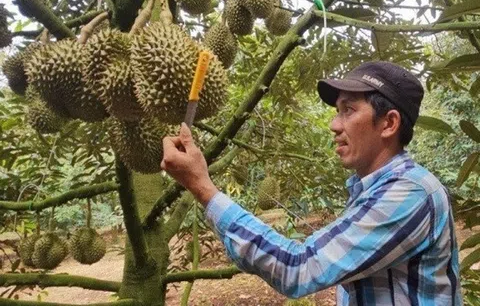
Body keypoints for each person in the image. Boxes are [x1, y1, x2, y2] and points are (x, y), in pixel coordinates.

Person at [161, 61, 462, 305]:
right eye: (336, 111)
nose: (334, 124)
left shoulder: (411, 193)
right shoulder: (369, 190)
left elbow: (299, 268)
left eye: (349, 110)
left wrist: (202, 187)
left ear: (389, 123)